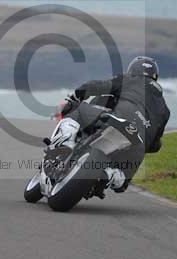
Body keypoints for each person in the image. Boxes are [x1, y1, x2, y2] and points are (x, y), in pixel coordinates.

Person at [47, 56, 170, 192]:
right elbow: (155, 144)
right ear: (155, 77)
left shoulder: (130, 80)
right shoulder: (164, 109)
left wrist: (77, 95)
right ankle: (113, 176)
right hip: (137, 144)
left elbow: (97, 86)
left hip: (117, 120)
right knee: (122, 181)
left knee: (77, 109)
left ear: (133, 70)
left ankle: (66, 144)